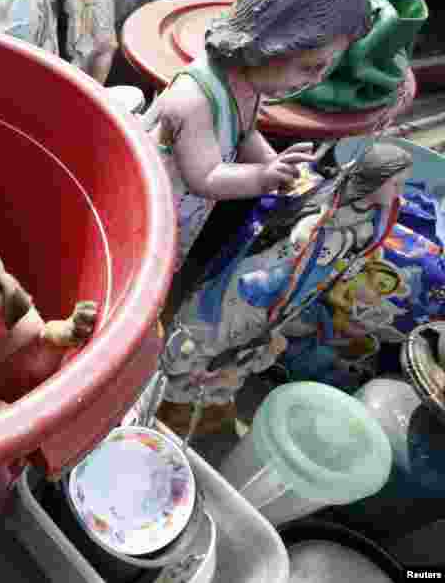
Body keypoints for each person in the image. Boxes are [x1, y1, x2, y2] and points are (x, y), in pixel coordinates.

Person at [140, 0, 375, 270]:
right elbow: (206, 177)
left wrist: (272, 163)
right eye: (310, 67)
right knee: (148, 268)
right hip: (147, 211)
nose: (318, 79)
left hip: (182, 209)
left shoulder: (247, 81)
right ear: (273, 43)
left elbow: (243, 131)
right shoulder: (194, 100)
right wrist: (263, 177)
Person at [162, 142, 412, 414]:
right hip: (264, 275)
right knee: (211, 331)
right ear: (375, 178)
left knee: (250, 344)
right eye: (395, 184)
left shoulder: (374, 219)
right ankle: (169, 381)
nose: (400, 193)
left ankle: (201, 394)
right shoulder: (325, 197)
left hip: (298, 289)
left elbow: (349, 256)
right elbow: (291, 229)